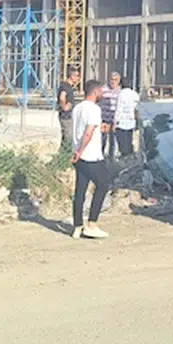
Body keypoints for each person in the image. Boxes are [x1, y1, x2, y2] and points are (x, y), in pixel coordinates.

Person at [70, 78, 111, 239]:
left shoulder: (78, 108)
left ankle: (77, 225)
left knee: (80, 190)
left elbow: (83, 129)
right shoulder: (94, 109)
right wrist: (81, 150)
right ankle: (92, 223)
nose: (102, 94)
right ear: (95, 92)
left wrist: (76, 151)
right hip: (91, 155)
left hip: (79, 155)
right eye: (101, 91)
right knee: (103, 184)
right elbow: (88, 132)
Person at [110, 72, 141, 158]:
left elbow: (119, 109)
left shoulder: (121, 94)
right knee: (129, 140)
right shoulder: (135, 94)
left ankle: (125, 157)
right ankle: (130, 157)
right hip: (131, 122)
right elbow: (137, 109)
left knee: (122, 143)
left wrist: (115, 123)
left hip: (121, 123)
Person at [57, 67, 80, 156]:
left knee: (67, 136)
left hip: (68, 115)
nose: (78, 78)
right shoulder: (66, 86)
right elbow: (62, 97)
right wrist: (65, 106)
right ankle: (64, 155)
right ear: (72, 76)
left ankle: (62, 155)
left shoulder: (68, 86)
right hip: (66, 116)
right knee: (68, 136)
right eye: (77, 76)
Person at [98, 72, 120, 159]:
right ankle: (100, 157)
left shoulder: (120, 91)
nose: (113, 82)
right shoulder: (103, 89)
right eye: (112, 79)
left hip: (114, 120)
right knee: (102, 140)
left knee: (113, 141)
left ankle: (111, 158)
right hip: (104, 119)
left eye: (116, 80)